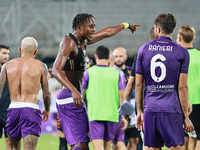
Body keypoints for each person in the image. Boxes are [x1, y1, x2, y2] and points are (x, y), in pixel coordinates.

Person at [52, 13, 141, 150]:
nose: (94, 29)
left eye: (94, 26)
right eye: (91, 26)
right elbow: (56, 70)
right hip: (69, 97)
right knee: (81, 144)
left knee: (82, 144)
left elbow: (107, 33)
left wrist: (126, 25)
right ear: (80, 27)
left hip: (74, 97)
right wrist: (74, 90)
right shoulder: (68, 42)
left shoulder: (83, 41)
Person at [135, 13, 194, 150]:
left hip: (150, 108)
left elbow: (138, 84)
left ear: (158, 29)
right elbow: (182, 87)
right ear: (173, 30)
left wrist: (139, 111)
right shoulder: (182, 52)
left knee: (152, 148)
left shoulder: (143, 49)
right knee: (176, 147)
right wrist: (185, 117)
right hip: (171, 109)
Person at [0, 37, 51, 150]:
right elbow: (46, 93)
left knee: (13, 148)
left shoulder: (7, 66)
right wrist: (47, 110)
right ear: (35, 51)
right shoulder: (41, 66)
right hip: (30, 109)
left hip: (12, 109)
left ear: (20, 50)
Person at [82, 45, 125, 150]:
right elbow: (121, 96)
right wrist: (124, 116)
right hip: (112, 115)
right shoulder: (117, 73)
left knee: (98, 148)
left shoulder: (88, 73)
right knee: (107, 148)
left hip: (95, 115)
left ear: (96, 56)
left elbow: (81, 95)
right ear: (109, 57)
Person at [176, 25, 200, 150]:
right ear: (193, 38)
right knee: (196, 139)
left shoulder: (177, 57)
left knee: (184, 138)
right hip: (199, 101)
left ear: (179, 37)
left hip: (183, 102)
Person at [113, 46, 140, 150]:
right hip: (117, 109)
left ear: (126, 57)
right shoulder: (112, 73)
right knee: (117, 141)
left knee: (134, 139)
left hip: (132, 109)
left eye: (120, 56)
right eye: (116, 56)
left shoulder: (131, 72)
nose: (118, 58)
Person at [48, 65, 68, 150]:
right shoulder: (79, 63)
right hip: (75, 103)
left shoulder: (61, 62)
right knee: (76, 138)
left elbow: (49, 73)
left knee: (62, 136)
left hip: (64, 103)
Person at [0, 45, 11, 150]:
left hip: (8, 111)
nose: (6, 56)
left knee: (10, 142)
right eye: (3, 53)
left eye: (7, 53)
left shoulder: (10, 71)